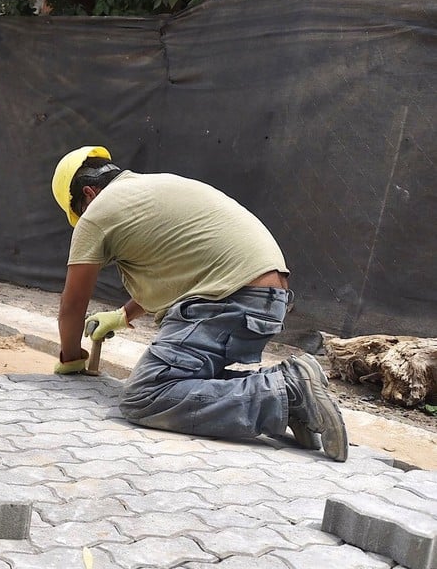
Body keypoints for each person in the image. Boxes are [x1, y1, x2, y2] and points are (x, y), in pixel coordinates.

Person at [50, 146, 348, 461]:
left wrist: (72, 357)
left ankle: (285, 392)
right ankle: (294, 405)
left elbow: (72, 306)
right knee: (186, 382)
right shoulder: (150, 188)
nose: (82, 221)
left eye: (79, 212)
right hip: (264, 299)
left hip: (230, 298)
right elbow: (180, 270)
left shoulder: (97, 213)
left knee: (146, 395)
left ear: (88, 193)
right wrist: (123, 316)